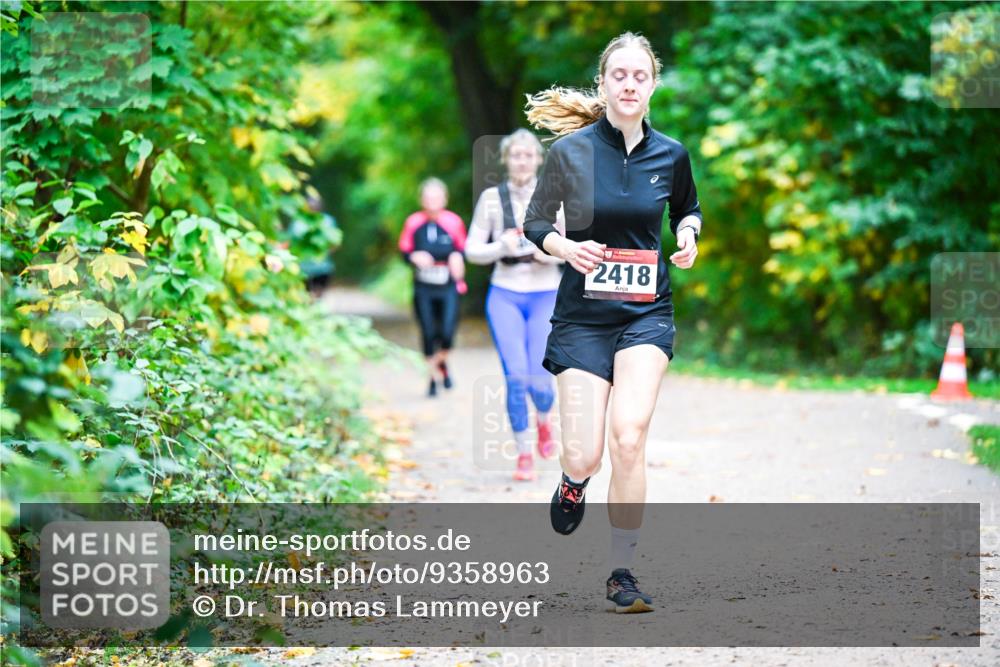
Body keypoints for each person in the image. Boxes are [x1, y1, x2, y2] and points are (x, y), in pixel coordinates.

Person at [523, 32, 703, 613]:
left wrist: (688, 236)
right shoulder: (570, 152)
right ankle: (573, 482)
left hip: (646, 312)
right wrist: (564, 247)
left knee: (629, 437)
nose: (629, 84)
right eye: (619, 75)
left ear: (653, 86)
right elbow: (534, 222)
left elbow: (688, 208)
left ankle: (621, 570)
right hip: (582, 319)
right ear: (603, 83)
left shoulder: (671, 154)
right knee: (585, 454)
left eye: (640, 76)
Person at [465, 129, 566, 482]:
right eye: (515, 155)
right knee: (515, 375)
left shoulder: (555, 197)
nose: (522, 161)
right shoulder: (492, 199)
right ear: (506, 160)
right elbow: (471, 250)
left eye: (528, 155)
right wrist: (501, 247)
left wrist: (547, 252)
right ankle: (524, 453)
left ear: (538, 159)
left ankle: (544, 420)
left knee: (540, 379)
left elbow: (574, 249)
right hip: (505, 293)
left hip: (545, 293)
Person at [398, 178, 468, 397]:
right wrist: (414, 257)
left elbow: (463, 248)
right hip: (423, 287)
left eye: (436, 197)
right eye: (428, 198)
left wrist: (457, 258)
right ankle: (432, 376)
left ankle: (440, 364)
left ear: (445, 199)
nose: (432, 202)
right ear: (421, 200)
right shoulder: (413, 222)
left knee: (446, 333)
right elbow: (404, 251)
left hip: (448, 286)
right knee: (428, 332)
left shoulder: (453, 222)